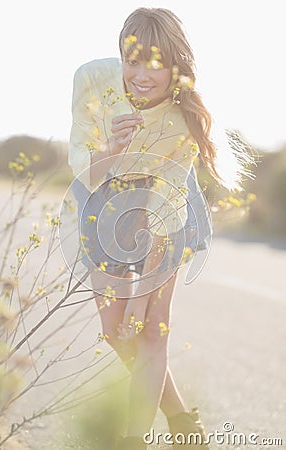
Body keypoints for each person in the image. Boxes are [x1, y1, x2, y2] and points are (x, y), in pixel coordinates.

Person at [68, 7, 247, 450]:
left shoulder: (184, 119)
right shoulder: (92, 80)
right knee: (115, 331)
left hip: (164, 209)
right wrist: (112, 147)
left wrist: (143, 296)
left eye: (157, 63)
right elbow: (84, 174)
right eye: (132, 61)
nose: (142, 75)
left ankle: (134, 441)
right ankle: (183, 422)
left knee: (150, 328)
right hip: (104, 198)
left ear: (176, 66)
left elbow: (167, 206)